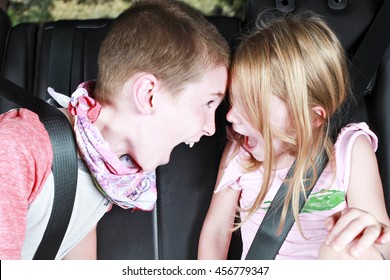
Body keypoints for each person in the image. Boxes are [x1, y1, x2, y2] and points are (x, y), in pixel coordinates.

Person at [0, 0, 230, 260]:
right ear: (148, 94)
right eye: (208, 103)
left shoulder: (103, 170)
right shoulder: (16, 150)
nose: (211, 128)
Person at [198, 11, 390, 260]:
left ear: (312, 118)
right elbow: (216, 232)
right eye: (234, 100)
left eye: (251, 105)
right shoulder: (239, 153)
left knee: (346, 248)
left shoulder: (349, 150)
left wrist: (368, 231)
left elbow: (383, 244)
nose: (231, 116)